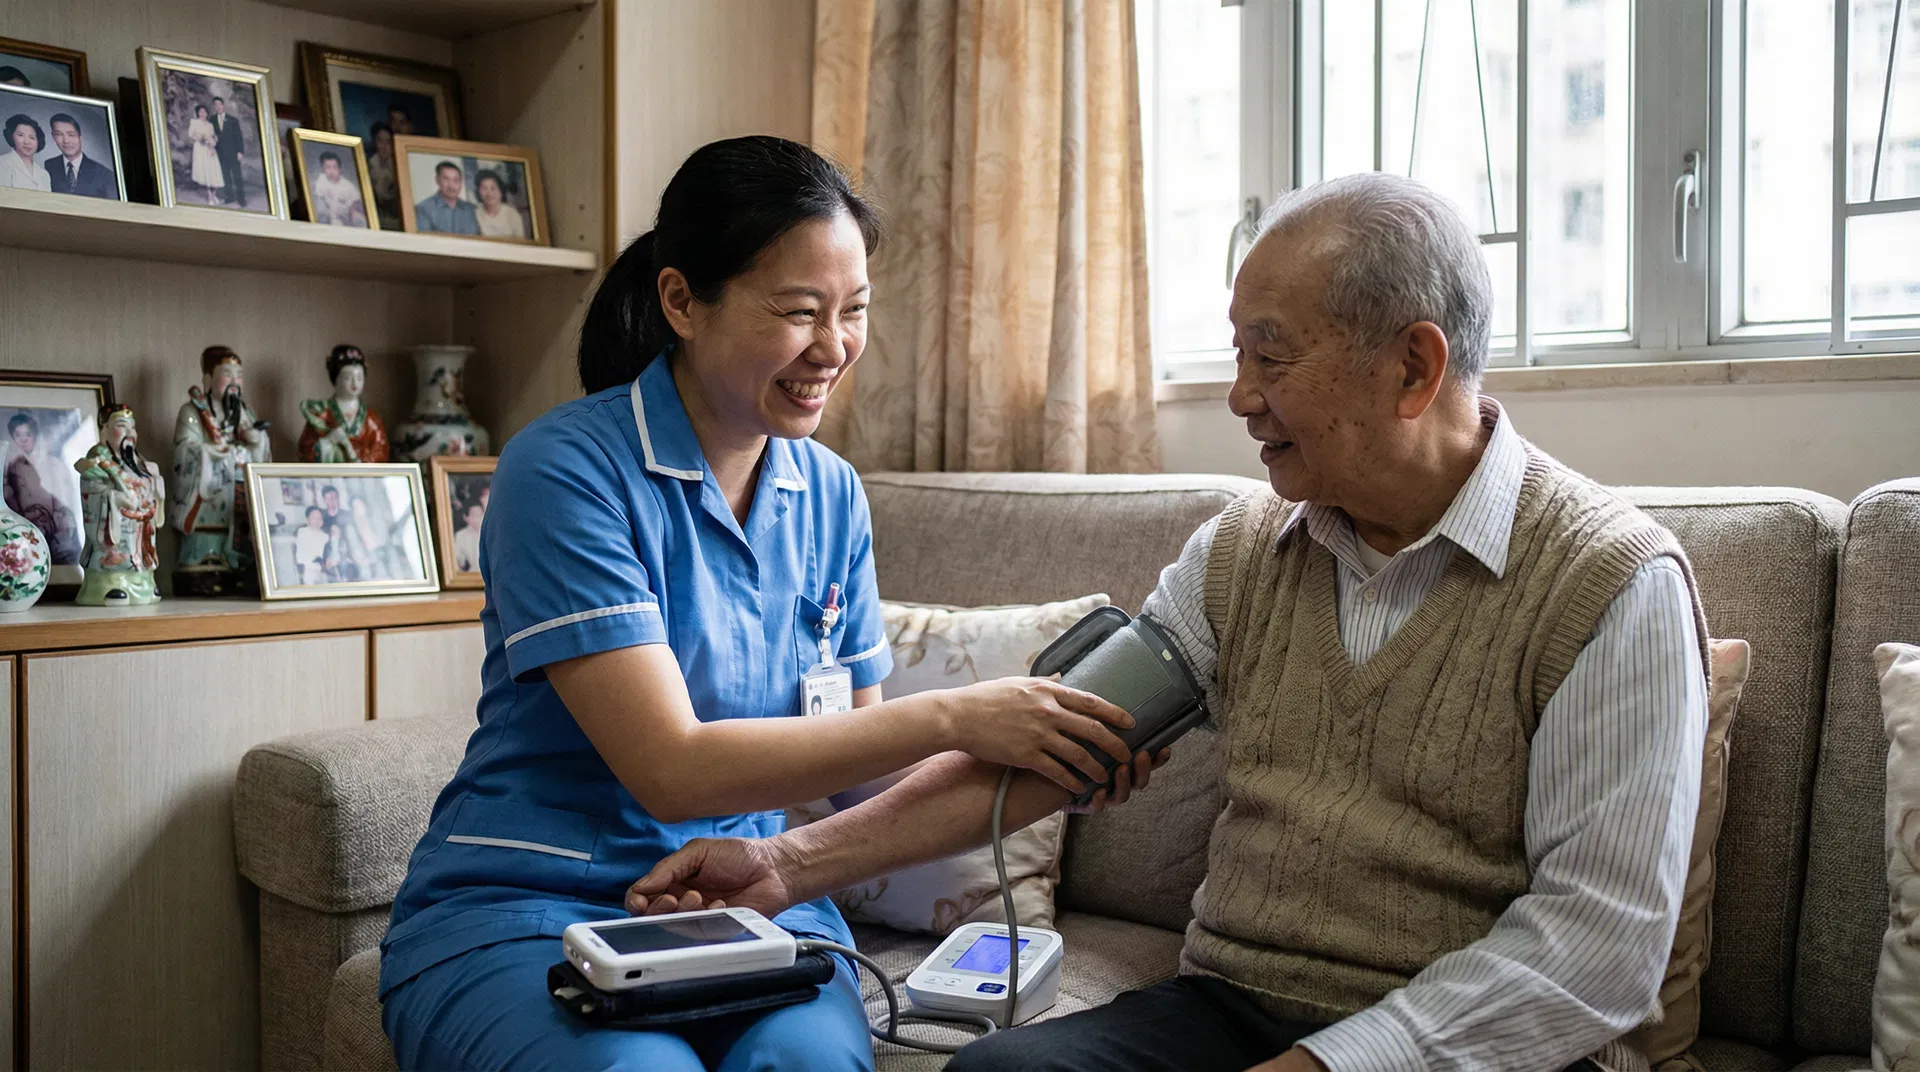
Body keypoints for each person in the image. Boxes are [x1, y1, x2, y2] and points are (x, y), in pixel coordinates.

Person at [631, 173, 1714, 1072]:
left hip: (1479, 1043)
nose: (1241, 395)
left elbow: (1597, 947)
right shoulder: (1245, 550)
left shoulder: (1610, 583)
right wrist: (790, 864)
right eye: (1237, 353)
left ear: (1413, 368)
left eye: (1272, 356)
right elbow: (1059, 744)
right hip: (1230, 1009)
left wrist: (1336, 1065)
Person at [378, 135, 1161, 1072]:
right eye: (799, 312)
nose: (833, 349)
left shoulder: (829, 491)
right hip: (535, 900)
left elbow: (867, 779)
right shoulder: (565, 472)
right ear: (681, 302)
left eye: (855, 312)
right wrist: (958, 711)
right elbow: (671, 769)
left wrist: (1065, 750)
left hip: (751, 905)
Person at [171, 346, 272, 587]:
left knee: (243, 534)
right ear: (208, 379)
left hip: (239, 493)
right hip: (210, 494)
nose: (235, 382)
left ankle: (242, 565)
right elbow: (184, 451)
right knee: (209, 542)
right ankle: (205, 562)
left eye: (239, 375)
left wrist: (257, 442)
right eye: (227, 374)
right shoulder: (192, 412)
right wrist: (211, 452)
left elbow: (260, 453)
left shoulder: (245, 412)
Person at [73, 404, 165, 605]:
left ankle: (144, 583)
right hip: (114, 532)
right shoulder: (97, 462)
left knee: (140, 554)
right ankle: (108, 585)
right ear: (104, 429)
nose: (130, 433)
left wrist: (156, 483)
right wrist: (114, 498)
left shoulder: (139, 464)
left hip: (140, 531)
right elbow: (93, 490)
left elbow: (151, 492)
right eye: (122, 426)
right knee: (114, 558)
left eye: (132, 427)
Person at [5, 411, 80, 562]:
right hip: (28, 528)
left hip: (57, 525)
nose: (24, 439)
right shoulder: (10, 467)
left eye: (28, 434)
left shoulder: (54, 464)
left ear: (35, 435)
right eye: (18, 435)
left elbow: (67, 497)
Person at [299, 345, 388, 462]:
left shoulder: (371, 417)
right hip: (330, 478)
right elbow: (305, 450)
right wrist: (328, 441)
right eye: (348, 378)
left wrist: (364, 462)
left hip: (363, 477)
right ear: (335, 379)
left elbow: (381, 448)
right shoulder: (320, 413)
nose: (355, 383)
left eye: (359, 378)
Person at [44, 113, 116, 198]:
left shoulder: (104, 174)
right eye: (59, 134)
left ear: (80, 138)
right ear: (53, 137)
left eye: (71, 135)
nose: (66, 140)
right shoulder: (49, 166)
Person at [413, 160, 480, 235]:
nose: (451, 185)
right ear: (437, 180)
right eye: (446, 179)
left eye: (456, 180)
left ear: (461, 183)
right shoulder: (423, 209)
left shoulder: (472, 210)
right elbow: (424, 242)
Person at [307, 150, 366, 226]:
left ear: (339, 169)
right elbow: (319, 198)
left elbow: (357, 201)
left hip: (347, 214)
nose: (331, 171)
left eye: (334, 167)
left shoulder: (348, 186)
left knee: (360, 220)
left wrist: (353, 211)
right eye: (327, 167)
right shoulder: (321, 180)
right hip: (331, 215)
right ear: (323, 169)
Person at [364, 121, 401, 230]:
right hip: (376, 222)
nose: (384, 146)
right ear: (375, 142)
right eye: (380, 141)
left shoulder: (400, 166)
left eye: (388, 142)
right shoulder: (367, 167)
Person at [210, 96, 245, 206]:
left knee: (237, 177)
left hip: (233, 153)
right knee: (225, 177)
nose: (218, 106)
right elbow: (211, 136)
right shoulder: (211, 120)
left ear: (223, 105)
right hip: (220, 154)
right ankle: (229, 197)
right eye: (216, 105)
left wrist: (240, 152)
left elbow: (238, 137)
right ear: (214, 107)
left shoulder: (233, 120)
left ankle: (241, 199)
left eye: (220, 104)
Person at [1, 113, 49, 191]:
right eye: (20, 135)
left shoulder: (44, 174)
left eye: (32, 137)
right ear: (11, 136)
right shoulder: (2, 163)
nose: (27, 142)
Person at [472, 169, 525, 239]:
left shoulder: (512, 214)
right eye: (484, 188)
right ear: (478, 192)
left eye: (493, 188)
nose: (489, 193)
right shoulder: (475, 215)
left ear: (500, 191)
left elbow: (521, 244)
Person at [186, 103, 222, 204]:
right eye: (200, 112)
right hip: (200, 150)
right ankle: (210, 196)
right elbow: (190, 137)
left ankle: (214, 194)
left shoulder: (210, 125)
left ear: (207, 113)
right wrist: (199, 138)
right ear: (198, 113)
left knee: (214, 171)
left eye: (204, 112)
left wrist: (213, 142)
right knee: (205, 172)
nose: (202, 113)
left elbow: (213, 137)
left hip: (210, 149)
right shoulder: (194, 122)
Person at [292, 505, 330, 585]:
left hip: (322, 570)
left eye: (320, 518)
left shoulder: (325, 536)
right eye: (314, 518)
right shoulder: (302, 532)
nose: (317, 521)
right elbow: (301, 556)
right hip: (307, 569)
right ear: (307, 520)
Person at [450, 486, 484, 573]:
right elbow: (458, 561)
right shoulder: (461, 535)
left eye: (480, 515)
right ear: (466, 518)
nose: (478, 520)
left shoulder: (493, 532)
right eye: (474, 516)